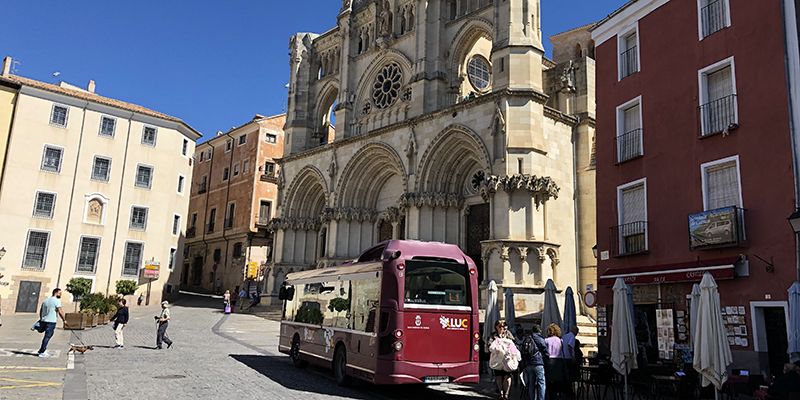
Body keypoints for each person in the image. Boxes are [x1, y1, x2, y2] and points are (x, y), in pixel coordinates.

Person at [488, 319, 518, 400]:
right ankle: (501, 393)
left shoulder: (508, 334)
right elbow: (489, 345)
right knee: (499, 377)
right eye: (500, 326)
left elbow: (514, 344)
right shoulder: (493, 335)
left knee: (507, 376)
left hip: (507, 360)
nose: (502, 328)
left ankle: (506, 393)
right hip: (497, 360)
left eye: (504, 326)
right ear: (496, 327)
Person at [520, 325, 549, 400]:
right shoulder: (540, 338)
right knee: (541, 382)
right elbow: (545, 350)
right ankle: (541, 398)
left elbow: (522, 351)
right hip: (538, 363)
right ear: (539, 331)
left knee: (531, 383)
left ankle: (532, 398)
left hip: (529, 364)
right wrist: (546, 358)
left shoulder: (527, 338)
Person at [37, 288, 66, 358]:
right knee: (47, 336)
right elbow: (60, 311)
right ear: (56, 293)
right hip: (51, 321)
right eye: (60, 293)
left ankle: (43, 350)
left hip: (44, 320)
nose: (61, 295)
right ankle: (42, 351)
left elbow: (41, 311)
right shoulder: (57, 301)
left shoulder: (46, 300)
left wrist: (41, 318)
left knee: (47, 336)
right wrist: (64, 320)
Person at [544, 323, 567, 400]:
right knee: (557, 380)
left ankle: (551, 395)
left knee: (549, 380)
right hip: (559, 361)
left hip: (549, 360)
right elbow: (562, 352)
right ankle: (556, 395)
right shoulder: (560, 340)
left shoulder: (546, 340)